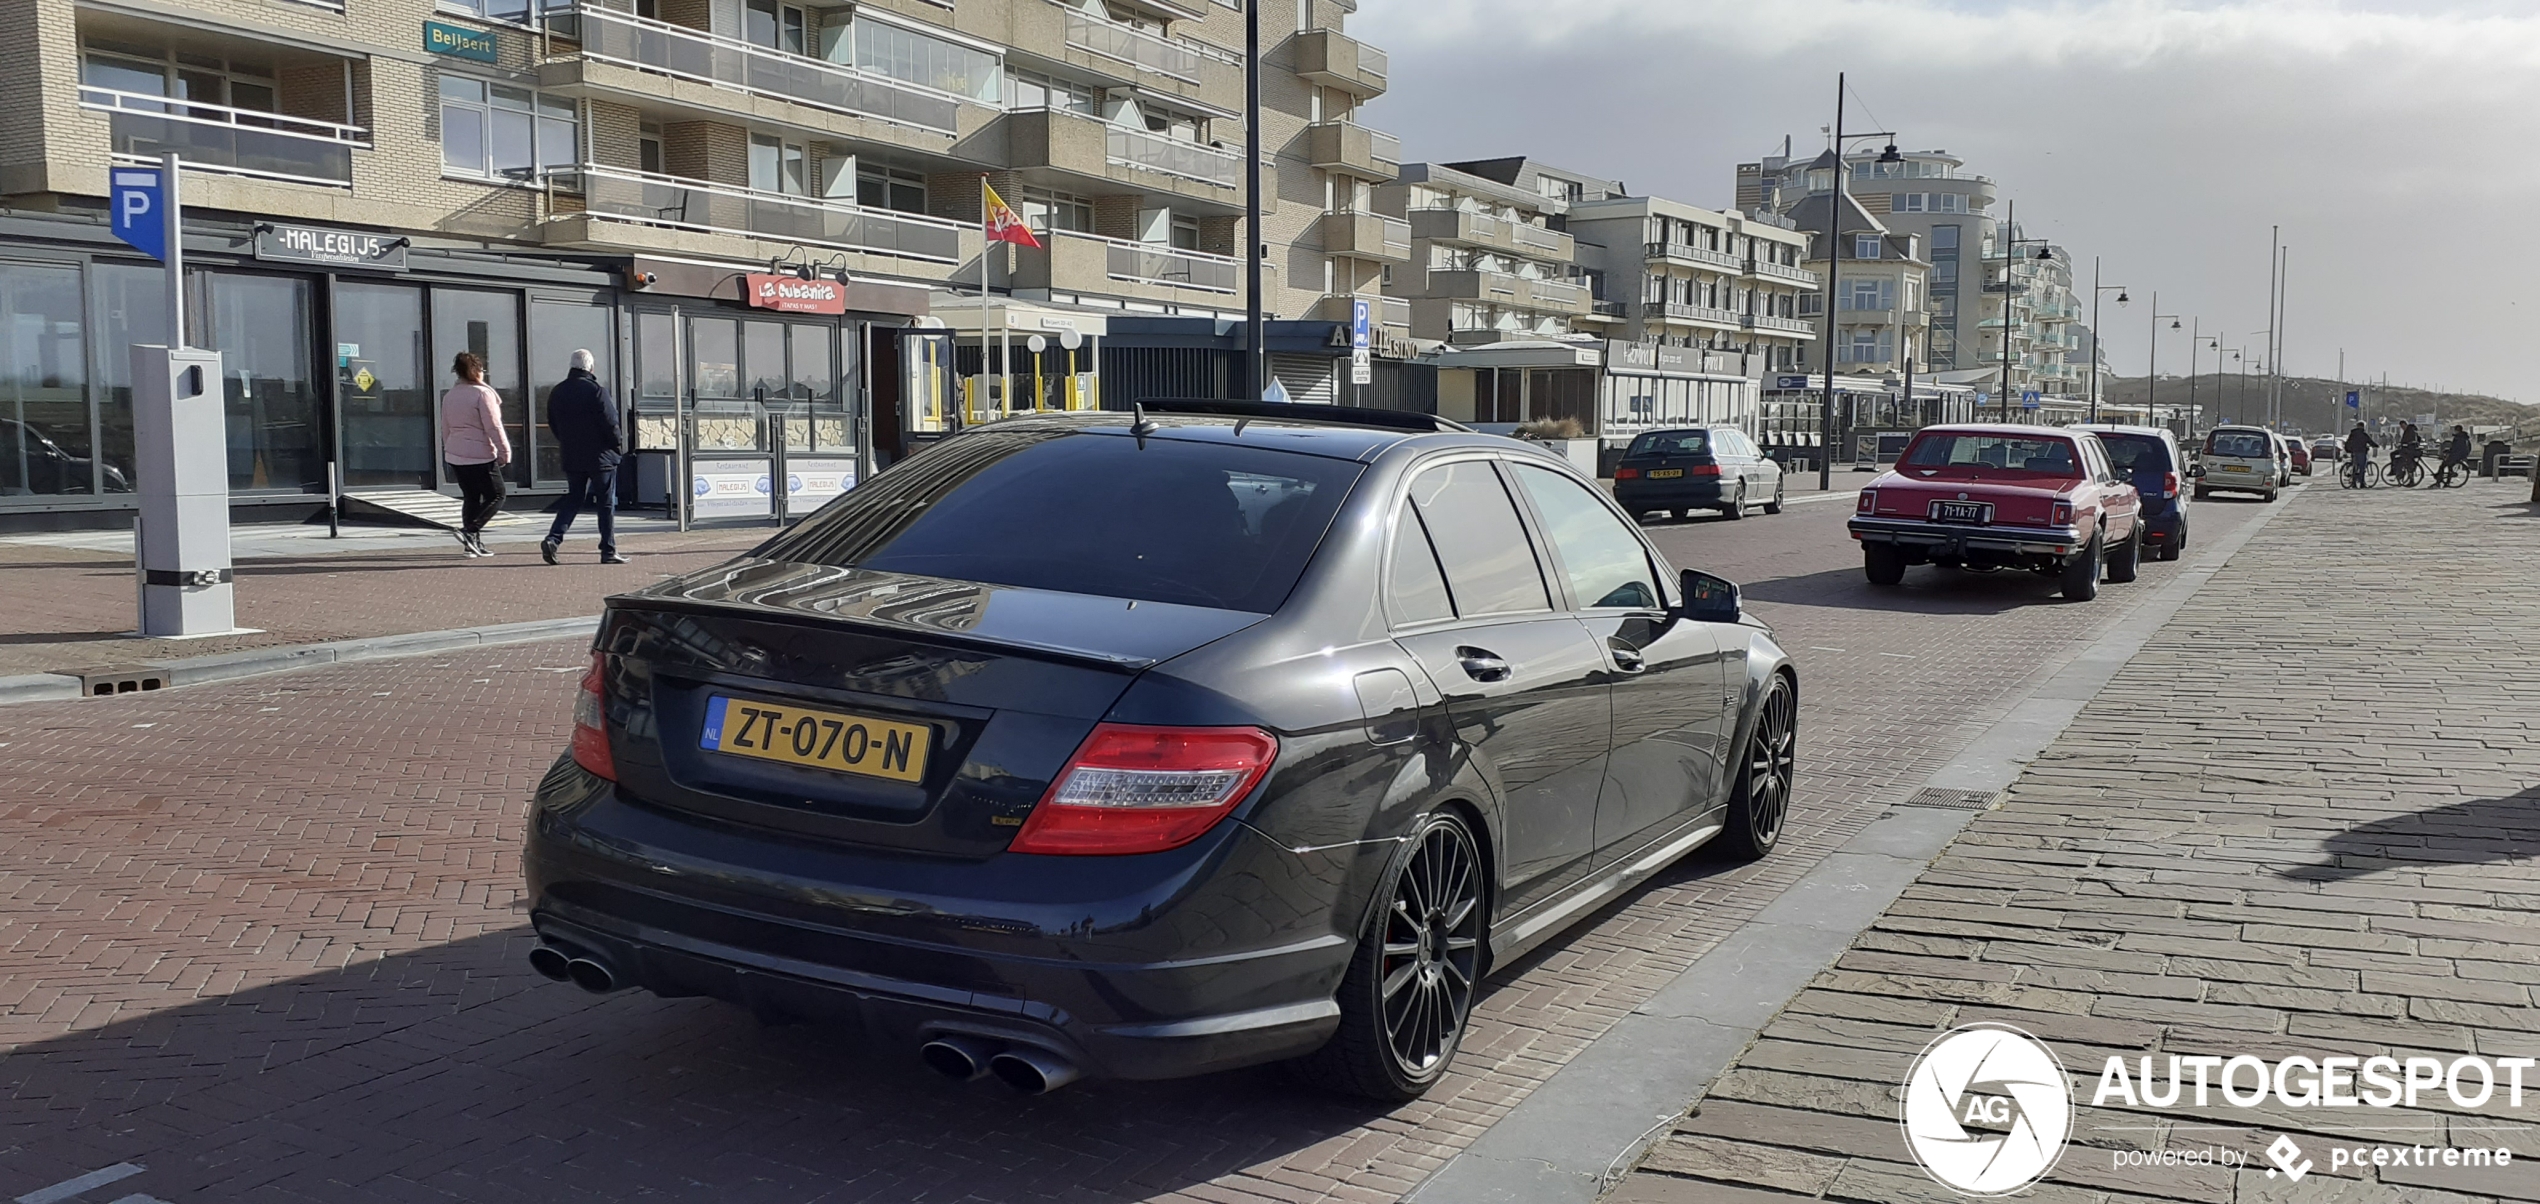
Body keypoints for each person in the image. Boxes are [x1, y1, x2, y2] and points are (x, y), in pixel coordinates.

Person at [540, 349, 629, 565]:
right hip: (601, 457)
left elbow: (553, 422)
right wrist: (617, 446)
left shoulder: (558, 392)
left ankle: (553, 538)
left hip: (573, 455)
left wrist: (567, 442)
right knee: (605, 503)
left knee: (574, 498)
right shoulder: (597, 391)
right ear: (590, 367)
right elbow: (611, 423)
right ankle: (608, 550)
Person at [440, 352, 511, 557]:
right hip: (480, 454)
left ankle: (470, 545)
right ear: (477, 370)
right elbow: (493, 426)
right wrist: (504, 451)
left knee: (471, 497)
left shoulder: (450, 395)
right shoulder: (482, 394)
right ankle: (470, 531)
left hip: (456, 453)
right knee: (497, 495)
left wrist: (449, 447)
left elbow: (446, 427)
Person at [2343, 422, 2376, 486]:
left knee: (2355, 466)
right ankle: (2362, 483)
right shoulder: (2363, 434)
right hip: (2361, 452)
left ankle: (2354, 483)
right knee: (2362, 468)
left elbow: (2348, 441)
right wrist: (2376, 445)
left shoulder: (2353, 433)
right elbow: (2370, 441)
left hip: (2354, 451)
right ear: (2363, 426)